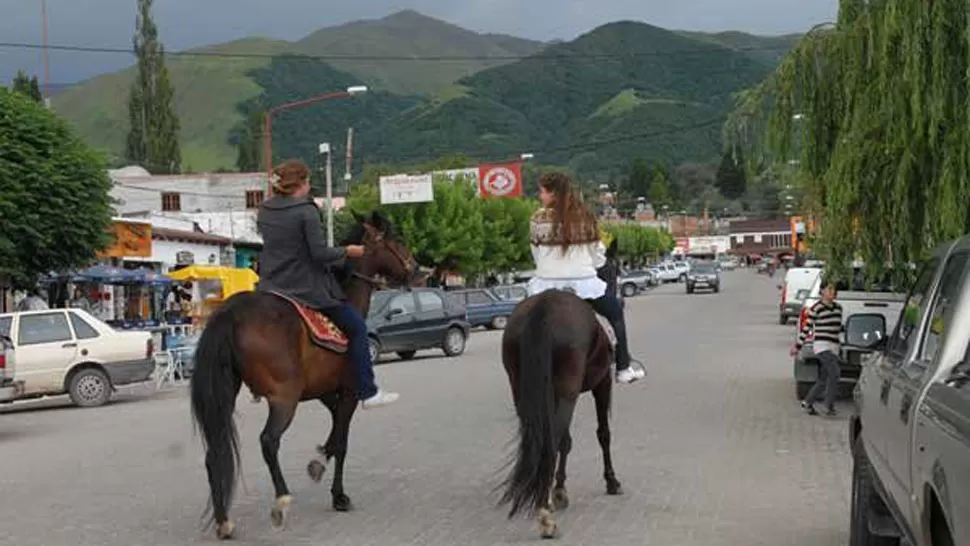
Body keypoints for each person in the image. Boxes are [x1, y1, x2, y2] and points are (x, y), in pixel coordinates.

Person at [256, 159, 399, 409]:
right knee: (356, 326)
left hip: (270, 286)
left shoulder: (265, 209)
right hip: (305, 288)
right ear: (300, 183)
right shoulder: (306, 210)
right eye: (308, 181)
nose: (310, 186)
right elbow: (319, 254)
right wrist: (349, 252)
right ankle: (367, 390)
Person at [527, 172, 645, 384]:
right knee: (616, 313)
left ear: (553, 193)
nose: (540, 196)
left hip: (545, 284)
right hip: (583, 284)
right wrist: (595, 266)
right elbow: (598, 255)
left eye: (542, 191)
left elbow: (535, 253)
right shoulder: (585, 217)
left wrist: (548, 267)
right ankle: (624, 367)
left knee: (525, 322)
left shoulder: (537, 218)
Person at [791, 278, 842, 416]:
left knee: (823, 378)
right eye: (829, 289)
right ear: (822, 291)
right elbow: (806, 328)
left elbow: (837, 328)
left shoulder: (838, 308)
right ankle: (828, 405)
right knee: (835, 372)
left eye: (834, 289)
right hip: (821, 346)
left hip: (834, 346)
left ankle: (807, 402)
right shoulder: (816, 308)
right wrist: (798, 346)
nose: (832, 292)